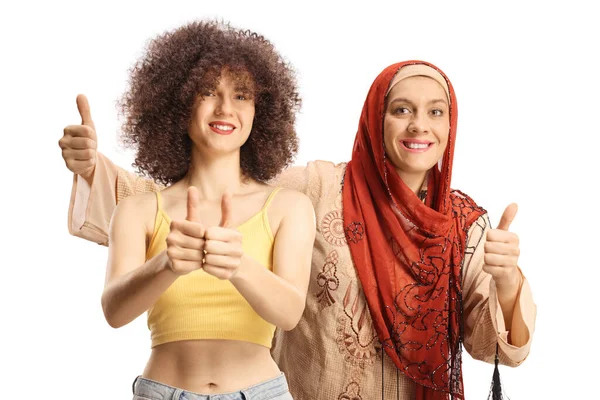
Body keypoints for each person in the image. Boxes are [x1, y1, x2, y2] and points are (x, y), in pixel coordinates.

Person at [60, 60, 536, 399]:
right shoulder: (319, 187)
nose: (419, 125)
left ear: (451, 127)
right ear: (375, 119)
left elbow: (494, 349)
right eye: (401, 109)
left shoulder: (466, 229)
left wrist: (509, 279)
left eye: (436, 112)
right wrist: (94, 168)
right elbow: (203, 190)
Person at [60, 20, 316, 400]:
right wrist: (166, 264)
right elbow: (114, 312)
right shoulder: (137, 210)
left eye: (242, 96)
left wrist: (238, 265)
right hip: (163, 392)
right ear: (179, 104)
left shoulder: (289, 207)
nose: (226, 108)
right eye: (208, 92)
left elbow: (290, 313)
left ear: (261, 110)